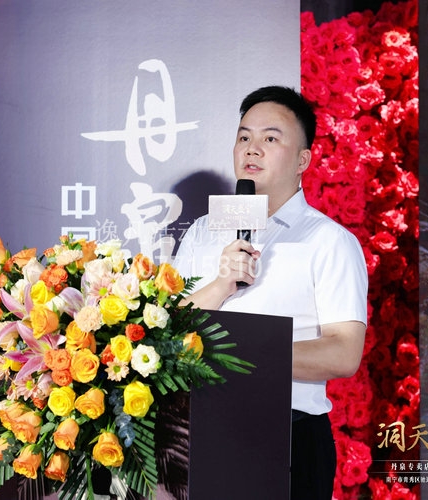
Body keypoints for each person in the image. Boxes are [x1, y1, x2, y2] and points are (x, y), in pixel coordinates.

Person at [172, 85, 368, 499]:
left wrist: (242, 356)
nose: (252, 148)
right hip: (197, 431)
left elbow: (343, 353)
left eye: (270, 138)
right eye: (244, 136)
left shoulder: (329, 241)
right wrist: (221, 285)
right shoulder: (203, 231)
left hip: (289, 435)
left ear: (303, 160)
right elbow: (169, 331)